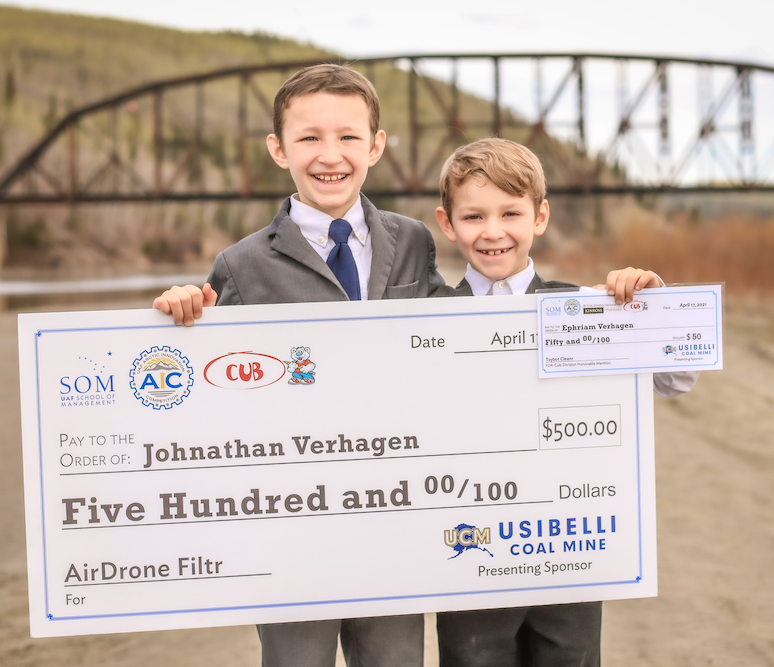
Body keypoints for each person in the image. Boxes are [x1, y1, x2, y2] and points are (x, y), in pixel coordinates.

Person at [153, 64, 444, 667]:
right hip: (292, 522)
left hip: (392, 513)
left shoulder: (413, 240)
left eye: (347, 136)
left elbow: (462, 334)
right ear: (278, 150)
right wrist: (178, 318)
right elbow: (209, 389)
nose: (329, 155)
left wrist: (593, 309)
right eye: (309, 138)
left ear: (377, 146)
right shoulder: (240, 264)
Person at [432, 137, 698, 667]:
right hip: (467, 552)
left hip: (567, 552)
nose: (492, 232)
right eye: (474, 216)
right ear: (447, 223)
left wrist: (650, 303)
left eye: (511, 213)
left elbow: (676, 378)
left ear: (540, 217)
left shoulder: (583, 308)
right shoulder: (425, 317)